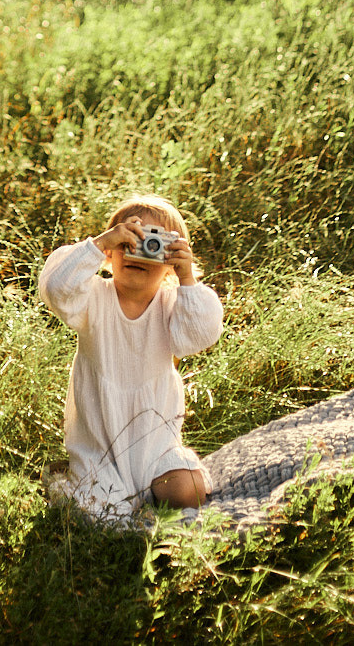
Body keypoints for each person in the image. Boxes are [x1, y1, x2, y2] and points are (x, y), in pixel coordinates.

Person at [39, 193, 223, 521]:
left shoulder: (173, 305)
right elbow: (56, 288)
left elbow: (202, 333)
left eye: (155, 243)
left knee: (187, 491)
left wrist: (187, 277)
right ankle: (67, 481)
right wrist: (98, 244)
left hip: (156, 444)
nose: (140, 251)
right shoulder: (93, 297)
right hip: (99, 446)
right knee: (100, 516)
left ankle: (146, 492)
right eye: (129, 242)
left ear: (170, 259)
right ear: (110, 254)